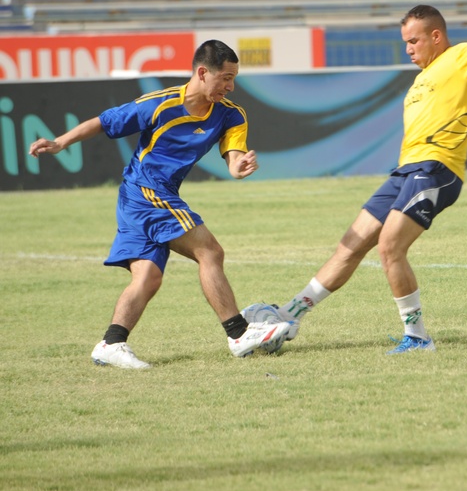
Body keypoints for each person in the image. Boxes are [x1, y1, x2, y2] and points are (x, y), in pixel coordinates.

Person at [274, 0, 467, 353]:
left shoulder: (460, 56)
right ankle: (290, 314)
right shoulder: (421, 78)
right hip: (404, 172)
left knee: (390, 247)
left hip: (437, 170)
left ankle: (418, 337)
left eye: (413, 40)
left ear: (436, 36)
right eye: (405, 42)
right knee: (350, 245)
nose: (408, 49)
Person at [28, 40, 294, 369]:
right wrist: (60, 142)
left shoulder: (231, 114)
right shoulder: (160, 103)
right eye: (225, 78)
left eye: (233, 78)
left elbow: (234, 157)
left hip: (145, 196)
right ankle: (239, 333)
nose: (231, 85)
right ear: (202, 73)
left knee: (148, 278)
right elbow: (105, 120)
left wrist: (238, 168)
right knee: (209, 251)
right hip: (145, 191)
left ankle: (110, 343)